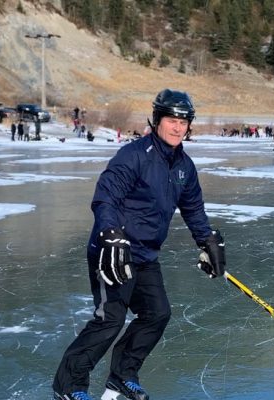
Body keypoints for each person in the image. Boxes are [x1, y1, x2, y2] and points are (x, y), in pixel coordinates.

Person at [52, 89, 226, 400]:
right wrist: (110, 233)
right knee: (110, 320)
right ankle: (69, 386)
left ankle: (122, 376)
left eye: (183, 122)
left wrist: (207, 240)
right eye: (171, 120)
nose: (177, 127)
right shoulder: (133, 155)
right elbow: (106, 196)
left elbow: (193, 208)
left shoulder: (184, 165)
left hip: (145, 255)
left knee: (157, 314)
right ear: (157, 120)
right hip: (112, 252)